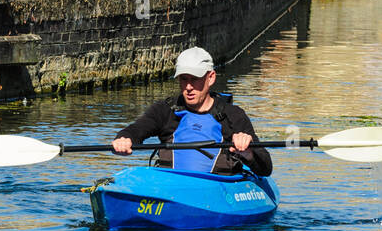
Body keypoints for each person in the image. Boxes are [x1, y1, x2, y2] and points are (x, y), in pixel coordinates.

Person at [111, 47, 273, 177]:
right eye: (183, 79)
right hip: (173, 187)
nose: (188, 87)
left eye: (194, 79)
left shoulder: (233, 115)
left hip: (218, 190)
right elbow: (136, 130)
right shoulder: (166, 110)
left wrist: (248, 151)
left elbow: (265, 168)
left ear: (211, 78)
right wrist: (123, 139)